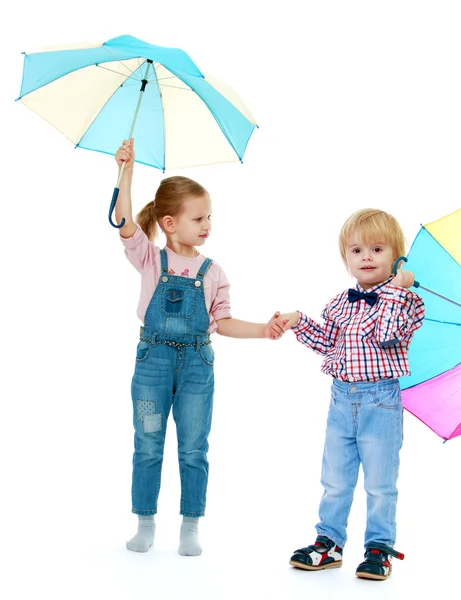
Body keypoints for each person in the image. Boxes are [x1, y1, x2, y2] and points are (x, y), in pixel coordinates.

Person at [114, 138, 284, 556]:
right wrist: (126, 171)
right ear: (170, 223)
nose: (207, 225)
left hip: (196, 367)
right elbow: (122, 221)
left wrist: (264, 329)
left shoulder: (214, 271)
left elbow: (222, 322)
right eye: (198, 218)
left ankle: (190, 525)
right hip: (152, 363)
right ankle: (145, 522)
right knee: (148, 443)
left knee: (194, 447)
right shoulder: (151, 260)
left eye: (209, 217)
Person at [273, 208, 425, 580]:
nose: (367, 257)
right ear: (346, 259)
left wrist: (395, 289)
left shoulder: (405, 302)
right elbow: (329, 342)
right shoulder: (342, 303)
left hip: (380, 402)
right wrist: (300, 321)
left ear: (397, 258)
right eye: (357, 251)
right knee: (336, 477)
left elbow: (385, 335)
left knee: (379, 481)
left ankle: (379, 547)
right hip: (342, 399)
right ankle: (329, 542)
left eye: (377, 249)